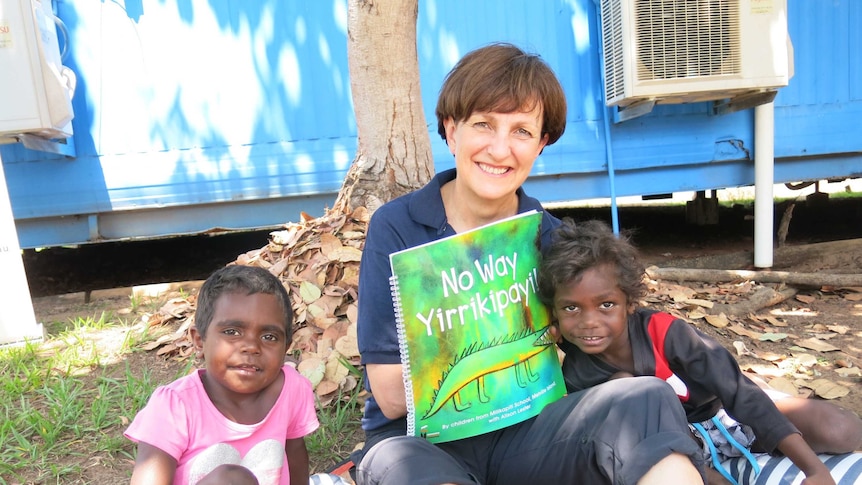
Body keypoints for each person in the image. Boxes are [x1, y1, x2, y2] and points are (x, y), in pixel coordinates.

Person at [352, 42, 706, 485]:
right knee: (400, 464)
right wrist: (506, 341)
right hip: (421, 443)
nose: (500, 150)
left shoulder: (550, 237)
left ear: (541, 144)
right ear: (451, 129)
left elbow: (597, 359)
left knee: (647, 400)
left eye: (521, 131)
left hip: (529, 435)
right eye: (483, 124)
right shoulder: (398, 227)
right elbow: (389, 396)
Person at [537, 218, 862, 485]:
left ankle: (774, 438)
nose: (589, 322)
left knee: (841, 430)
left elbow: (739, 394)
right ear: (555, 312)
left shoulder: (665, 333)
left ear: (630, 302)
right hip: (678, 444)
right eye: (571, 308)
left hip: (727, 415)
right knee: (628, 391)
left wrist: (814, 471)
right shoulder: (575, 371)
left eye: (606, 305)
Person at [125, 264, 320, 485]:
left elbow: (295, 456)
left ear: (286, 346)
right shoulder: (174, 406)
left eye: (269, 337)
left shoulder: (292, 389)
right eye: (232, 332)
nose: (251, 347)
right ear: (199, 341)